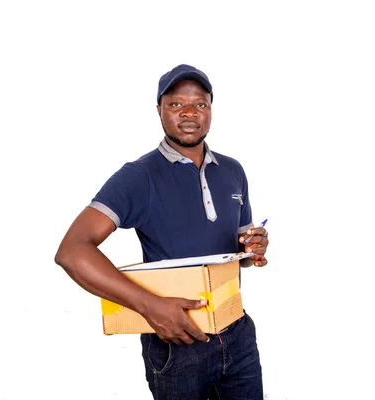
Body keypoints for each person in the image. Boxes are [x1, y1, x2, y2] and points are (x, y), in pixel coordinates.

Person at [54, 64, 269, 400]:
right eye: (175, 104)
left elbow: (237, 252)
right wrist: (149, 306)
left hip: (237, 331)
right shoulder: (139, 176)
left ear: (210, 110)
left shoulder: (232, 170)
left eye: (200, 104)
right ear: (159, 111)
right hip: (179, 341)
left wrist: (252, 249)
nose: (189, 112)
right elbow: (72, 251)